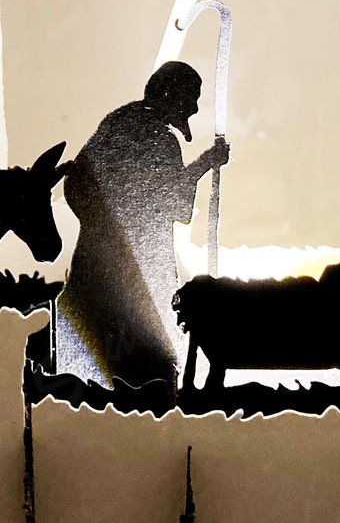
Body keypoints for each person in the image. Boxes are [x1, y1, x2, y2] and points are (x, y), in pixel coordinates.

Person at [56, 61, 229, 389]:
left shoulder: (118, 121)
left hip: (97, 260)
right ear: (173, 95)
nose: (194, 108)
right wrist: (205, 163)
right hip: (139, 267)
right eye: (191, 99)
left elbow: (77, 181)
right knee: (141, 354)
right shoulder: (160, 140)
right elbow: (176, 206)